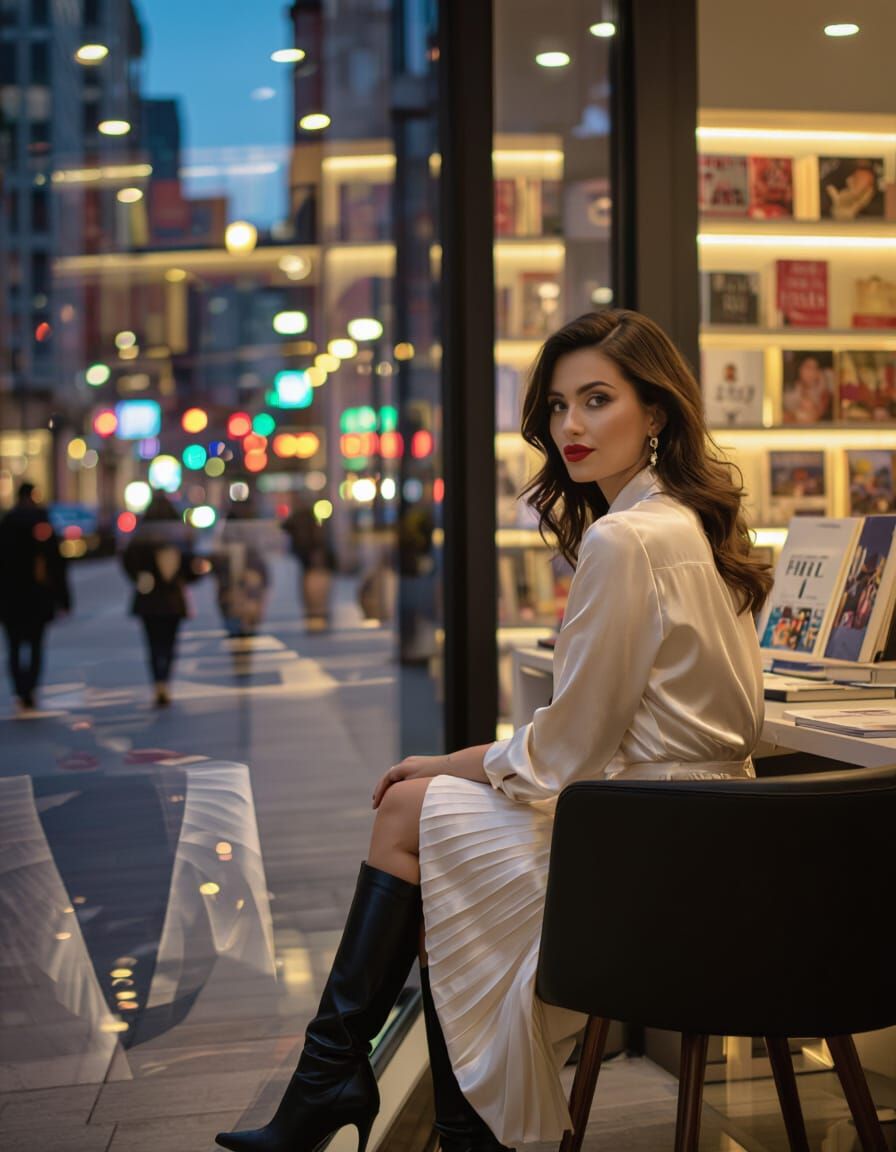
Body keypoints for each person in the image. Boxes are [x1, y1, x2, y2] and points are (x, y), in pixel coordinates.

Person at [215, 309, 772, 1152]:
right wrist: (449, 767)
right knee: (431, 829)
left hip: (655, 851)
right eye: (556, 406)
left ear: (655, 413)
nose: (571, 427)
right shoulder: (692, 521)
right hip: (714, 837)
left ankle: (348, 1087)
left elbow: (563, 755)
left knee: (410, 813)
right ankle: (387, 1101)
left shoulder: (627, 539)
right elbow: (610, 739)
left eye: (596, 400)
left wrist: (438, 763)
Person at [121, 492, 209, 706]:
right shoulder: (179, 538)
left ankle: (159, 681)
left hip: (149, 600)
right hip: (172, 601)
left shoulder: (141, 538)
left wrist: (141, 579)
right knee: (169, 643)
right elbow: (191, 568)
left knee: (153, 644)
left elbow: (127, 559)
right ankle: (164, 681)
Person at [0, 482, 71, 710]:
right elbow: (56, 565)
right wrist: (64, 598)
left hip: (10, 597)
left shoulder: (7, 523)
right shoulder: (41, 523)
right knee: (36, 644)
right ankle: (29, 687)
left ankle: (20, 689)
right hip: (37, 596)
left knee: (13, 645)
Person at [212, 505, 270, 637]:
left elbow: (264, 580)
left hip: (245, 600)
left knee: (243, 634)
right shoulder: (225, 556)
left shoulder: (251, 555)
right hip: (234, 599)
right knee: (237, 634)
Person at [280, 497, 336, 628]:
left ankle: (315, 611)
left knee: (312, 580)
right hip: (307, 554)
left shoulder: (302, 518)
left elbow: (285, 527)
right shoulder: (310, 519)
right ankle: (317, 611)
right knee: (313, 580)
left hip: (305, 554)